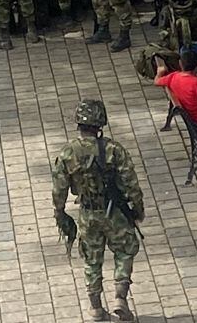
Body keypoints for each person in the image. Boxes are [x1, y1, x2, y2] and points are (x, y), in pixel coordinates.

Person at [51, 99, 145, 323]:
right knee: (125, 250)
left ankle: (96, 309)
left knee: (92, 260)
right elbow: (131, 183)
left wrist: (60, 212)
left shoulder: (67, 153)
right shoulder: (113, 150)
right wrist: (137, 208)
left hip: (87, 213)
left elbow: (59, 188)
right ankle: (120, 298)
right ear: (100, 123)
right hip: (115, 213)